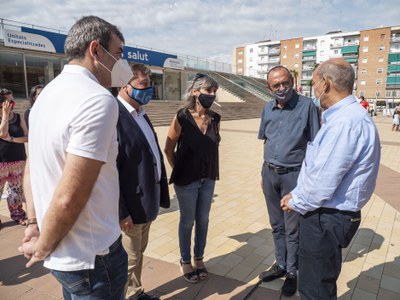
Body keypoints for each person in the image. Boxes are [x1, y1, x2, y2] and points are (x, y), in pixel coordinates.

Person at [18, 16, 133, 299]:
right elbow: (69, 196)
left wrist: (34, 224)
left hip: (65, 254)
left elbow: (32, 168)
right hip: (94, 258)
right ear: (96, 50)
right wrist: (42, 245)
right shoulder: (97, 99)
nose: (122, 63)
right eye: (118, 54)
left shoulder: (46, 95)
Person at [281, 58, 381, 299]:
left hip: (324, 217)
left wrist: (295, 202)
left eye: (314, 82)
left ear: (325, 83)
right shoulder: (348, 116)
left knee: (315, 288)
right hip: (330, 215)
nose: (314, 89)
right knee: (322, 283)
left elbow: (323, 181)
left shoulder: (345, 123)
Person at [257, 66, 320, 296]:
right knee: (276, 225)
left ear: (291, 82)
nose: (282, 88)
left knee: (292, 228)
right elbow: (266, 140)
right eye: (276, 85)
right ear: (269, 88)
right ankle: (281, 264)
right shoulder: (267, 108)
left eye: (286, 83)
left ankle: (293, 271)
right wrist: (263, 173)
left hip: (294, 176)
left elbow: (314, 147)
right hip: (270, 174)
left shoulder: (308, 107)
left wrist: (306, 185)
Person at [117, 63, 170, 300]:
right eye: (143, 85)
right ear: (123, 85)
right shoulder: (115, 115)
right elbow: (110, 169)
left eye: (150, 85)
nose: (149, 90)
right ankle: (126, 295)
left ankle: (135, 292)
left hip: (147, 200)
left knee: (138, 252)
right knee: (130, 258)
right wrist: (121, 211)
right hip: (130, 207)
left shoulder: (141, 114)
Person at [164, 73, 220, 284]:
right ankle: (186, 260)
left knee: (203, 220)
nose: (212, 95)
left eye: (214, 91)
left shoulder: (215, 119)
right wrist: (179, 169)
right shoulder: (182, 116)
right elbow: (168, 148)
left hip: (208, 179)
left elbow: (212, 147)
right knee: (187, 221)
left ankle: (199, 258)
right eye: (208, 91)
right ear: (195, 92)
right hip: (186, 181)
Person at [0, 88, 28, 227]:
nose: (12, 103)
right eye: (8, 101)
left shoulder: (18, 117)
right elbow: (2, 133)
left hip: (17, 159)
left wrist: (12, 139)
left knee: (15, 192)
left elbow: (27, 137)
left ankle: (18, 214)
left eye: (12, 99)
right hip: (1, 162)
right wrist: (5, 115)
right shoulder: (3, 116)